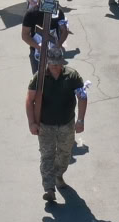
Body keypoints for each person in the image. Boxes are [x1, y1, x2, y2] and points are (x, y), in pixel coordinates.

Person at [26, 53, 88, 202]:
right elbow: (30, 100)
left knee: (65, 153)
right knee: (47, 156)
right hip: (45, 125)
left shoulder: (72, 76)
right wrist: (32, 123)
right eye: (53, 64)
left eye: (58, 64)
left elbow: (82, 97)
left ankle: (58, 175)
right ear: (47, 63)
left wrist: (80, 120)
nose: (56, 67)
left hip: (66, 124)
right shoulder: (39, 78)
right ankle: (49, 189)